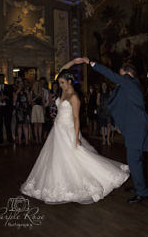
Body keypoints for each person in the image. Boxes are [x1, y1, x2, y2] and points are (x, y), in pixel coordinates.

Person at [20, 58, 129, 204]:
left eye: (63, 83)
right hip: (57, 130)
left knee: (76, 156)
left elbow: (77, 119)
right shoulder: (63, 91)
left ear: (70, 82)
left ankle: (104, 177)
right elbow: (61, 72)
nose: (60, 85)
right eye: (60, 83)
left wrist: (76, 137)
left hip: (68, 130)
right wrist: (74, 62)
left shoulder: (74, 97)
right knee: (55, 158)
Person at [82, 57, 148, 204]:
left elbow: (110, 75)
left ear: (127, 73)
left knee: (134, 160)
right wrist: (121, 124)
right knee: (135, 159)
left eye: (122, 74)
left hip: (136, 127)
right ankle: (139, 186)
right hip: (134, 126)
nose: (120, 77)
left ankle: (142, 192)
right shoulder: (132, 85)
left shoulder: (130, 82)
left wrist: (91, 63)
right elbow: (124, 105)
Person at [0, 74, 13, 144]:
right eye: (0, 78)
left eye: (2, 78)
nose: (1, 79)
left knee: (8, 124)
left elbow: (11, 97)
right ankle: (0, 140)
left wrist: (6, 97)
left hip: (7, 108)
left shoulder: (9, 87)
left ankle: (10, 139)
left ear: (4, 79)